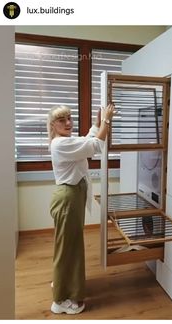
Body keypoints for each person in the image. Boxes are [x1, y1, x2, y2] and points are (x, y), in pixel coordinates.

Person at [46, 104, 115, 315]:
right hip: (68, 198)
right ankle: (60, 300)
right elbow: (95, 145)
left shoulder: (66, 142)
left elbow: (86, 142)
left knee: (68, 246)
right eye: (61, 120)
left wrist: (96, 124)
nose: (68, 123)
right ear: (53, 125)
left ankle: (62, 282)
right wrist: (107, 121)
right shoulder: (60, 144)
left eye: (69, 118)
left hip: (71, 196)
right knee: (69, 247)